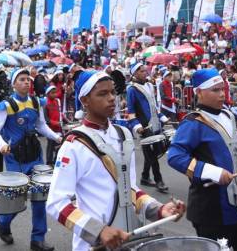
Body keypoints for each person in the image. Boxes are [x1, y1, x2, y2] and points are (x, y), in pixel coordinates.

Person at [47, 70, 185, 251]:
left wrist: (158, 210)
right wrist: (99, 231)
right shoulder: (73, 145)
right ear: (85, 101)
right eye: (102, 94)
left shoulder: (124, 134)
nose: (112, 98)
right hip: (94, 245)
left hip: (131, 239)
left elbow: (130, 189)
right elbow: (56, 203)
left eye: (113, 92)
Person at [167, 68, 237, 250]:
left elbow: (233, 157)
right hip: (212, 209)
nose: (222, 94)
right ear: (199, 92)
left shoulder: (228, 116)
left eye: (223, 89)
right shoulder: (193, 122)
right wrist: (213, 172)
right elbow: (175, 156)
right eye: (215, 90)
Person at [0, 68, 61, 250]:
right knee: (15, 199)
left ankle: (38, 239)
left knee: (39, 199)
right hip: (15, 158)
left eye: (28, 79)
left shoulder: (36, 102)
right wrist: (2, 145)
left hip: (35, 155)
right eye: (21, 79)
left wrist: (57, 137)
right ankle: (3, 222)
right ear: (14, 84)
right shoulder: (6, 105)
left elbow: (41, 126)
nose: (26, 82)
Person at [123, 63, 169, 193]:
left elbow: (153, 106)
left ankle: (144, 177)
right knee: (152, 156)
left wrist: (162, 118)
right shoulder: (132, 89)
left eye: (145, 71)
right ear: (135, 73)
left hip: (154, 124)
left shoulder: (149, 85)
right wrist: (137, 127)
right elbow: (131, 112)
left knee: (152, 153)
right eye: (142, 71)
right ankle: (159, 180)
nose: (145, 73)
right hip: (144, 127)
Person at [43, 85, 63, 164]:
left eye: (55, 92)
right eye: (52, 93)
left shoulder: (57, 101)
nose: (55, 94)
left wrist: (64, 118)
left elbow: (60, 112)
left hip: (58, 128)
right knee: (50, 146)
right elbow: (46, 119)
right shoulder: (45, 103)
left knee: (59, 145)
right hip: (50, 129)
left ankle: (56, 160)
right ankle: (49, 162)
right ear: (47, 94)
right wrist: (55, 123)